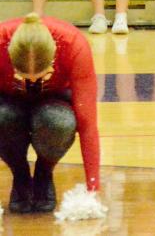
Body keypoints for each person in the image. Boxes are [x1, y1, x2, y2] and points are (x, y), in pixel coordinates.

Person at [0, 14, 100, 213]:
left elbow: (88, 125)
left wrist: (93, 192)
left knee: (58, 122)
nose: (32, 84)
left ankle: (44, 173)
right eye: (23, 77)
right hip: (8, 102)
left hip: (55, 102)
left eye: (41, 77)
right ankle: (20, 175)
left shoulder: (74, 45)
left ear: (54, 57)